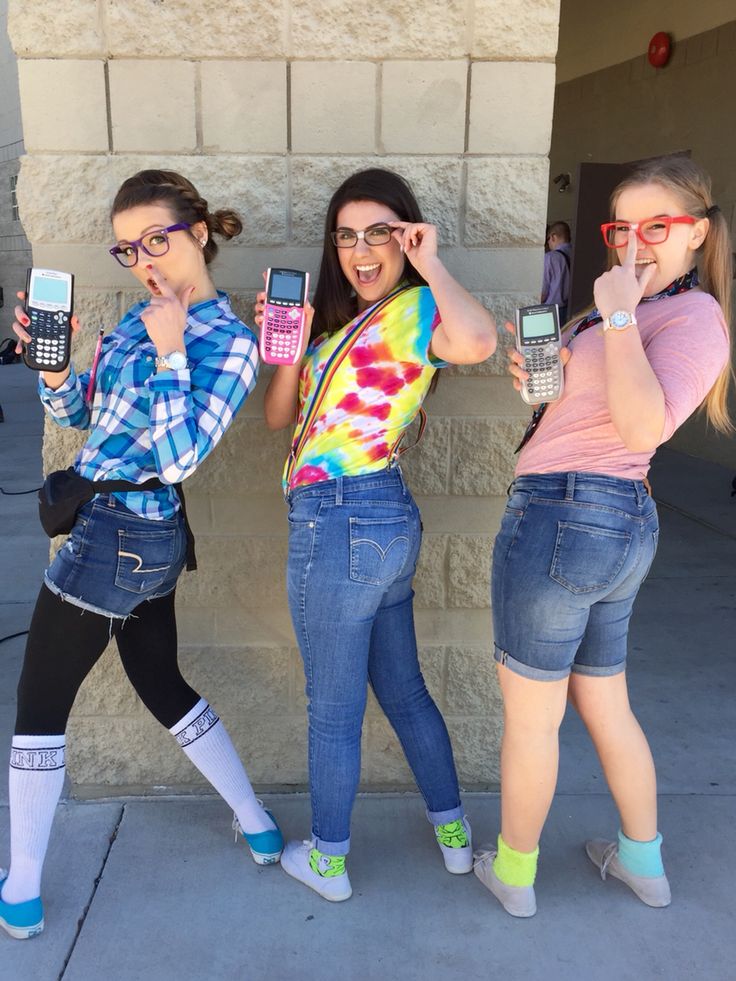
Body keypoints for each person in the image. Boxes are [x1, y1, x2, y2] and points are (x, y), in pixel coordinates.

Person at [0, 170, 283, 941]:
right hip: (136, 537)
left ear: (198, 231)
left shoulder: (227, 339)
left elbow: (181, 453)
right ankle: (256, 824)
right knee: (161, 680)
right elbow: (79, 410)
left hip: (120, 536)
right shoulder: (133, 319)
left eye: (157, 238)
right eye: (128, 248)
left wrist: (169, 354)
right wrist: (53, 367)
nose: (145, 259)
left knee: (38, 707)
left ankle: (19, 889)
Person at [474, 156, 732, 917]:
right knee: (602, 702)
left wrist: (617, 315)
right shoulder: (626, 311)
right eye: (623, 227)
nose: (636, 243)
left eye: (659, 226)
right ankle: (641, 862)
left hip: (566, 516)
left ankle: (514, 873)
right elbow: (593, 405)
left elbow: (643, 425)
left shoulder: (691, 316)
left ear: (699, 234)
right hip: (604, 525)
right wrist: (540, 384)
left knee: (532, 716)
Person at [260, 168, 496, 901]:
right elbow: (277, 421)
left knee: (333, 708)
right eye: (346, 237)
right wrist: (291, 344)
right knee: (402, 688)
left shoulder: (419, 306)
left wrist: (430, 260)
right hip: (380, 520)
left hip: (341, 521)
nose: (361, 251)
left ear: (406, 235)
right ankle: (454, 839)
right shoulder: (335, 330)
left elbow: (481, 340)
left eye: (380, 234)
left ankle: (328, 860)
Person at [541, 221, 572, 322]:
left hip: (552, 313)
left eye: (548, 240)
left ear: (553, 237)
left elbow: (543, 293)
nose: (548, 243)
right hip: (573, 311)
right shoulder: (578, 254)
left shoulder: (550, 257)